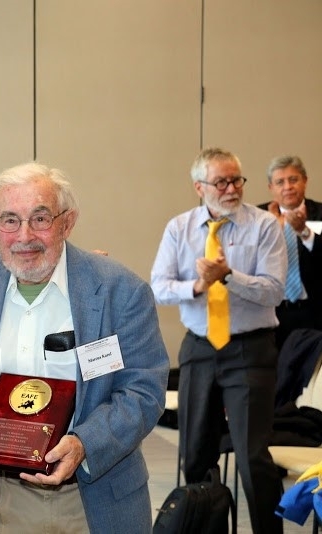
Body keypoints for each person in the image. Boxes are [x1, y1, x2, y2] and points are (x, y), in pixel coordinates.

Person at [0, 162, 169, 533]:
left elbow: (143, 391)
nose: (24, 236)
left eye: (40, 218)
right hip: (5, 499)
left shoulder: (119, 291)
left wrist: (84, 444)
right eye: (10, 220)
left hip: (95, 494)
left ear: (67, 222)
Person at [151, 147, 286, 534]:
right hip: (199, 347)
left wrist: (228, 276)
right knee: (195, 453)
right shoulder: (179, 228)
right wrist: (197, 284)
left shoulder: (264, 226)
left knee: (251, 457)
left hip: (250, 347)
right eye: (221, 182)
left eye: (237, 180)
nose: (232, 189)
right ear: (199, 187)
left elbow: (275, 291)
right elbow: (159, 287)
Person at [258, 155, 322, 349]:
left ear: (305, 181)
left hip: (314, 311)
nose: (287, 187)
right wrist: (269, 233)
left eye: (293, 180)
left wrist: (304, 232)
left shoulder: (320, 212)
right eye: (280, 182)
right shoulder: (258, 218)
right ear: (271, 187)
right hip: (272, 314)